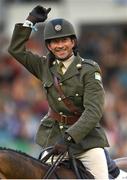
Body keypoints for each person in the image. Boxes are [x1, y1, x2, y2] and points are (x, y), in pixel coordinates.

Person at [8, 5, 119, 179]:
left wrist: (68, 138)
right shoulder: (44, 66)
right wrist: (30, 21)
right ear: (49, 46)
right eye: (54, 42)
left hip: (86, 142)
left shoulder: (89, 69)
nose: (59, 46)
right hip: (53, 138)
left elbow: (93, 111)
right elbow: (15, 50)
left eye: (64, 40)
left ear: (73, 42)